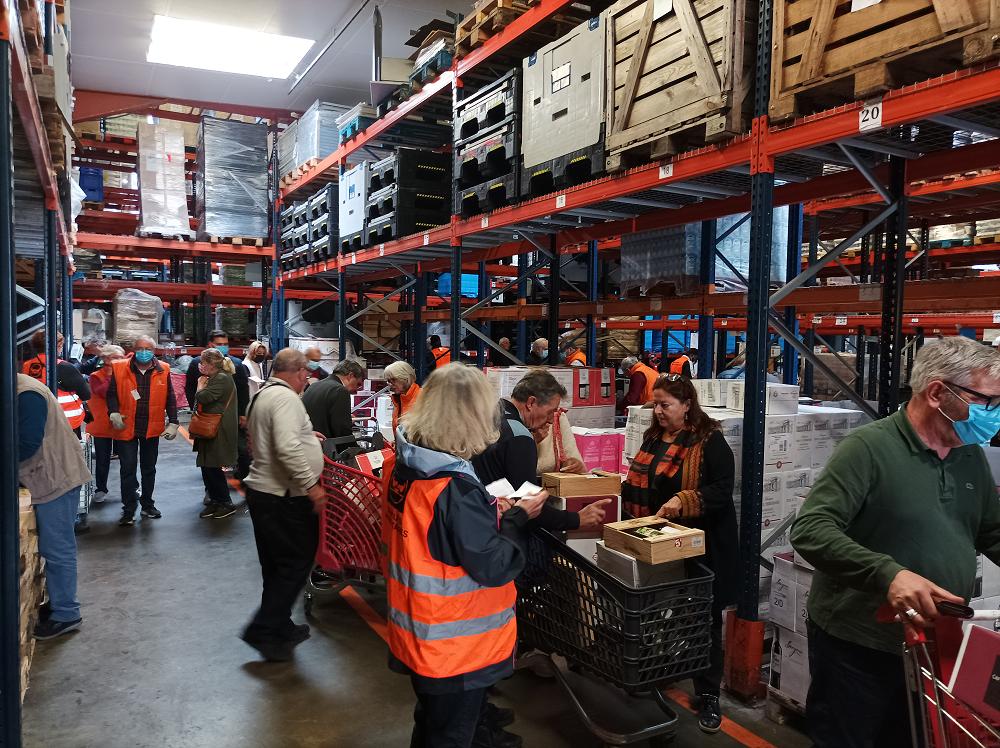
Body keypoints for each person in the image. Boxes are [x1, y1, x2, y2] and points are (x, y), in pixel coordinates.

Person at [790, 336, 1000, 748]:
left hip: (932, 640)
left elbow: (991, 530)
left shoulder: (969, 452)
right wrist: (890, 575)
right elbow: (811, 529)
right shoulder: (867, 449)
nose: (994, 414)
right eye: (987, 401)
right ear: (939, 392)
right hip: (858, 643)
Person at [383, 363, 548, 748]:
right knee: (452, 736)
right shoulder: (454, 490)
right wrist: (517, 519)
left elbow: (430, 539)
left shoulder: (403, 466)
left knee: (430, 726)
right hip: (454, 645)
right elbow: (494, 565)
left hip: (415, 632)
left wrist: (486, 511)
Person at [623, 373, 738, 733]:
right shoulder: (654, 438)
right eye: (655, 404)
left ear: (687, 405)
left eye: (665, 405)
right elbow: (641, 482)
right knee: (661, 613)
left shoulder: (709, 441)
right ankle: (662, 671)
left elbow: (722, 488)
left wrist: (683, 500)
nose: (657, 411)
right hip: (661, 542)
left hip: (702, 545)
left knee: (703, 619)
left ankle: (707, 694)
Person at [241, 348, 326, 662]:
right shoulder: (287, 398)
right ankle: (262, 631)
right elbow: (288, 448)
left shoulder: (264, 395)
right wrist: (312, 486)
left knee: (276, 566)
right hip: (285, 496)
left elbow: (274, 437)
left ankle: (280, 626)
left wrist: (306, 434)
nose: (307, 378)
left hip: (265, 493)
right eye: (307, 373)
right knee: (295, 564)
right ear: (301, 371)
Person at [472, 369, 610, 533]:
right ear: (531, 402)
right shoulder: (521, 437)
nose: (552, 420)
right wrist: (577, 519)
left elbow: (507, 478)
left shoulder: (493, 415)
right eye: (550, 411)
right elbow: (531, 505)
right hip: (503, 531)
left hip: (481, 519)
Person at [17, 373, 93, 640]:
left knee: (57, 547)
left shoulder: (26, 394)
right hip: (45, 473)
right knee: (54, 546)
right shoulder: (19, 388)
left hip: (55, 477)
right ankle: (60, 601)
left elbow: (26, 443)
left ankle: (67, 613)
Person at [106, 335, 180, 526]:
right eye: (140, 348)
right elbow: (112, 393)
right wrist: (113, 412)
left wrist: (173, 422)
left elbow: (170, 398)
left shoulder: (163, 369)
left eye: (148, 348)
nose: (144, 352)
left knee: (149, 469)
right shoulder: (120, 367)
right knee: (127, 470)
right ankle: (129, 509)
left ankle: (148, 504)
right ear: (134, 349)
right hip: (127, 427)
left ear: (154, 351)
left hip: (151, 428)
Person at [185, 330, 251, 481]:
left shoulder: (236, 364)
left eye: (225, 344)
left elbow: (242, 390)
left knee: (242, 449)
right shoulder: (197, 363)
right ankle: (213, 490)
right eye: (219, 344)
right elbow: (189, 388)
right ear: (210, 344)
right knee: (210, 453)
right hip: (207, 416)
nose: (223, 347)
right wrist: (195, 410)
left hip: (231, 416)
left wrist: (243, 414)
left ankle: (246, 481)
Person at [194, 349, 240, 519]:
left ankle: (225, 502)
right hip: (210, 427)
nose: (201, 366)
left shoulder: (221, 378)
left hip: (218, 429)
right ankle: (215, 501)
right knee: (207, 466)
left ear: (211, 365)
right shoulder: (217, 377)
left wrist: (200, 384)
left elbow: (204, 397)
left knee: (213, 466)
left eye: (203, 363)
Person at [23, 329, 91, 434]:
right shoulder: (63, 366)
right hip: (65, 421)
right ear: (57, 345)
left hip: (37, 420)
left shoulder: (27, 365)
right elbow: (86, 394)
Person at [88, 344, 126, 506]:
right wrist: (110, 374)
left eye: (121, 357)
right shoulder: (96, 376)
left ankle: (133, 487)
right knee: (103, 459)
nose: (118, 361)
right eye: (114, 358)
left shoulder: (126, 374)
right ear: (105, 359)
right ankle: (100, 489)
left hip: (122, 422)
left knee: (127, 458)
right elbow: (103, 392)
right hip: (102, 423)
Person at [302, 360, 364, 452]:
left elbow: (321, 416)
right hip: (327, 451)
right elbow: (342, 431)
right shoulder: (340, 390)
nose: (356, 391)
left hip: (308, 446)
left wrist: (344, 418)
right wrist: (357, 451)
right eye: (358, 384)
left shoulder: (314, 386)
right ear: (350, 375)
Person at [534, 409, 586, 475]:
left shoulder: (558, 417)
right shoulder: (518, 421)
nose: (551, 420)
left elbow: (574, 460)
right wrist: (532, 442)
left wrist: (574, 465)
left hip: (552, 482)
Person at [385, 360, 420, 433]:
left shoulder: (423, 397)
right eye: (389, 381)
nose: (390, 384)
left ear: (404, 378)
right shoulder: (399, 400)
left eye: (393, 380)